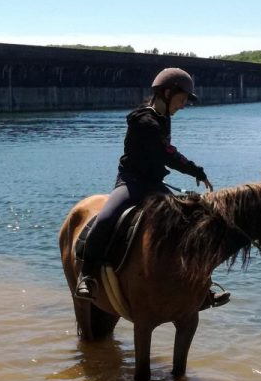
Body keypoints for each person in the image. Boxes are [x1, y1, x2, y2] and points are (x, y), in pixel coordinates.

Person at [75, 67, 214, 300]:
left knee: (190, 221)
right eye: (181, 99)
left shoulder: (163, 118)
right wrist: (196, 171)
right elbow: (168, 154)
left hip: (153, 184)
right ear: (167, 93)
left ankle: (199, 283)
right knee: (106, 218)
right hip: (131, 183)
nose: (182, 105)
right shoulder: (144, 120)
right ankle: (86, 276)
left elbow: (167, 153)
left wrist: (195, 171)